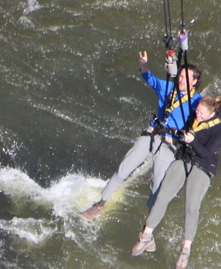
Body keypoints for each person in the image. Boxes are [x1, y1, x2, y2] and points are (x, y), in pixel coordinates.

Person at [80, 50, 202, 220]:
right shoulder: (168, 87)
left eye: (185, 78)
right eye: (180, 77)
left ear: (194, 82)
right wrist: (143, 66)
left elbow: (209, 117)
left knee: (157, 186)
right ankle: (99, 204)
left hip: (170, 143)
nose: (181, 81)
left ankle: (148, 228)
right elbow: (150, 79)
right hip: (152, 135)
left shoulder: (198, 101)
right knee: (123, 169)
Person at [130, 94, 221, 269]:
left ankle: (185, 251)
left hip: (203, 166)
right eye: (196, 111)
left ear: (210, 113)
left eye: (200, 112)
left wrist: (192, 141)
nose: (196, 114)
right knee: (162, 195)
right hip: (184, 159)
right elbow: (183, 133)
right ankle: (146, 236)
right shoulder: (195, 118)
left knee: (191, 206)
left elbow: (206, 153)